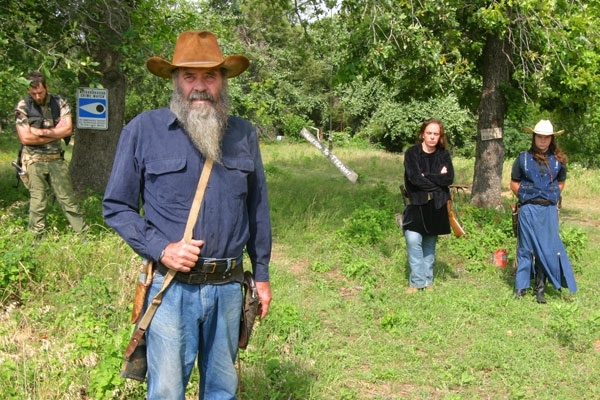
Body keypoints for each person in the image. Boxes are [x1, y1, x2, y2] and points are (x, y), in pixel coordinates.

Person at [102, 30, 272, 399]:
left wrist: (261, 275)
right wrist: (161, 248)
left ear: (222, 82)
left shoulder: (243, 134)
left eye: (209, 76)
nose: (199, 86)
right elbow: (116, 205)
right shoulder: (143, 130)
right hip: (171, 290)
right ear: (175, 80)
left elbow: (257, 208)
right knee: (166, 391)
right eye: (189, 76)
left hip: (228, 288)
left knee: (222, 389)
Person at [510, 119, 577, 303]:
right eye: (540, 136)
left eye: (546, 137)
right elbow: (514, 182)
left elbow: (561, 182)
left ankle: (540, 289)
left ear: (551, 139)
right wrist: (526, 197)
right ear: (534, 137)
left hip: (548, 210)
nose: (543, 140)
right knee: (525, 248)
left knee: (546, 249)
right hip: (528, 209)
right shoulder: (522, 158)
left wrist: (551, 196)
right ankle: (521, 287)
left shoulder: (559, 161)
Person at [14, 71, 86, 236]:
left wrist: (39, 132)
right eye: (33, 93)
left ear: (47, 87)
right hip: (33, 160)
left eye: (40, 92)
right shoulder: (23, 106)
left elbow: (67, 129)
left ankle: (82, 234)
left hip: (56, 159)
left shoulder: (59, 102)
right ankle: (35, 238)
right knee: (38, 201)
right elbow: (25, 138)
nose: (37, 96)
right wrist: (55, 132)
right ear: (28, 91)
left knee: (68, 199)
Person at [402, 118, 454, 293]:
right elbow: (414, 179)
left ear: (440, 136)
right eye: (429, 133)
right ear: (422, 134)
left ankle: (427, 281)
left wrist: (427, 175)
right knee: (413, 240)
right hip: (416, 203)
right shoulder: (412, 153)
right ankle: (417, 281)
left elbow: (448, 179)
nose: (432, 137)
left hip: (437, 205)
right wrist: (437, 181)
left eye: (436, 134)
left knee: (429, 244)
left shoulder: (443, 155)